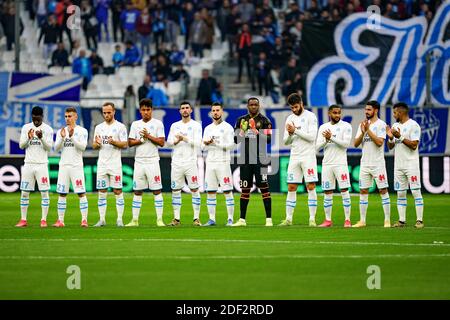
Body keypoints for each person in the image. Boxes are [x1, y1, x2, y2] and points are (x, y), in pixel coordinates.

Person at [232, 97, 273, 227]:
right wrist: (242, 132)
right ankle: (242, 220)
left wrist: (256, 132)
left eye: (256, 104)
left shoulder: (265, 121)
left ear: (259, 106)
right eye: (251, 105)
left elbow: (268, 139)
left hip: (261, 159)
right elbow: (236, 140)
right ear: (247, 106)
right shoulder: (240, 120)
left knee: (264, 189)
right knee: (245, 189)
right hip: (245, 159)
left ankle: (269, 220)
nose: (254, 107)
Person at [279, 93, 318, 226]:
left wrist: (295, 130)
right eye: (292, 108)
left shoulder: (311, 117)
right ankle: (288, 219)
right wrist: (290, 134)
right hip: (294, 156)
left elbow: (312, 137)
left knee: (311, 186)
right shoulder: (289, 118)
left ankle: (312, 219)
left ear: (301, 103)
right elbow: (285, 141)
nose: (294, 110)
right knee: (291, 186)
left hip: (308, 156)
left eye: (296, 107)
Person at [126, 99, 166, 227]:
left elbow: (161, 142)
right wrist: (140, 140)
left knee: (157, 190)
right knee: (137, 191)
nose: (146, 112)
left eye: (148, 110)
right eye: (143, 110)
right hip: (139, 162)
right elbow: (130, 143)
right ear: (140, 111)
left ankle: (159, 220)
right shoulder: (135, 124)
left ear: (151, 110)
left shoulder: (158, 124)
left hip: (153, 161)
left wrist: (148, 136)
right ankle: (134, 220)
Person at [353, 100, 391, 228]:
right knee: (363, 191)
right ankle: (362, 221)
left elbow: (380, 142)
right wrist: (363, 131)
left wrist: (368, 130)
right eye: (365, 109)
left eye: (369, 110)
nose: (366, 112)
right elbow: (356, 144)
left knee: (383, 190)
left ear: (376, 110)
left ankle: (387, 220)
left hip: (378, 164)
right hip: (365, 163)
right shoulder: (362, 125)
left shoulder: (381, 125)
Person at [387, 102, 424, 228]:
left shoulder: (414, 125)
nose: (393, 115)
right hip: (399, 165)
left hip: (411, 164)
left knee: (415, 191)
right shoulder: (395, 125)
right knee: (400, 193)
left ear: (401, 112)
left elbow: (414, 145)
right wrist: (391, 138)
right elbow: (390, 146)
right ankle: (401, 220)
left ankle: (419, 220)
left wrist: (400, 136)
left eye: (395, 112)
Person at [16, 106, 53, 228]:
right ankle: (23, 219)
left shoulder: (48, 129)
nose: (36, 120)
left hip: (42, 165)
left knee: (44, 193)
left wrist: (41, 138)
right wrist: (28, 137)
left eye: (38, 118)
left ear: (42, 117)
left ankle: (43, 220)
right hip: (28, 164)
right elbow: (21, 145)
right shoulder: (26, 127)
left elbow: (48, 148)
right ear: (32, 116)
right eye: (34, 118)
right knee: (25, 193)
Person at [315, 105, 352, 227]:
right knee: (327, 191)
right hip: (327, 164)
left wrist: (331, 138)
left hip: (341, 163)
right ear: (329, 113)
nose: (337, 115)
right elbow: (317, 147)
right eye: (335, 113)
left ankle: (347, 220)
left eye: (339, 113)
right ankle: (328, 220)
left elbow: (346, 144)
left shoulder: (346, 126)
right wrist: (326, 140)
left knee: (344, 190)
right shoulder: (323, 127)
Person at [166, 101, 203, 226]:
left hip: (190, 162)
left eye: (187, 108)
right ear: (180, 111)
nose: (185, 110)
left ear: (191, 110)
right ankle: (176, 219)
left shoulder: (196, 125)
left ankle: (196, 218)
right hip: (176, 162)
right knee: (175, 190)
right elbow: (169, 141)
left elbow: (199, 143)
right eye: (183, 108)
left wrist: (184, 138)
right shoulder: (174, 125)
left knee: (194, 189)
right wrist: (176, 140)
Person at [92, 102, 128, 227]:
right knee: (102, 192)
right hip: (102, 164)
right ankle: (102, 219)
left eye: (109, 112)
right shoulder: (99, 127)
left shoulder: (120, 127)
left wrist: (114, 142)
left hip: (115, 164)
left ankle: (119, 219)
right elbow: (94, 146)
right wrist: (97, 144)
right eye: (104, 113)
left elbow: (125, 144)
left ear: (113, 112)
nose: (106, 115)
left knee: (117, 191)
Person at [53, 107, 89, 227]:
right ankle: (61, 221)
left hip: (76, 166)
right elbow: (56, 148)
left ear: (75, 117)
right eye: (66, 116)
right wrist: (63, 138)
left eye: (70, 116)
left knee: (81, 193)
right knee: (62, 193)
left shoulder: (82, 131)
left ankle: (84, 220)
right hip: (64, 166)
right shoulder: (61, 131)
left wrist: (72, 137)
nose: (67, 119)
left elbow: (83, 147)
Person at [202, 102, 235, 226]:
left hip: (223, 162)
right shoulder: (208, 128)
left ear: (222, 111)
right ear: (211, 113)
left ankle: (230, 219)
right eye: (213, 110)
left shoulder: (228, 128)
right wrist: (207, 143)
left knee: (227, 190)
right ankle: (212, 219)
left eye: (217, 110)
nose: (215, 112)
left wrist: (216, 144)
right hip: (210, 162)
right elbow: (202, 148)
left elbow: (231, 146)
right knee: (211, 191)